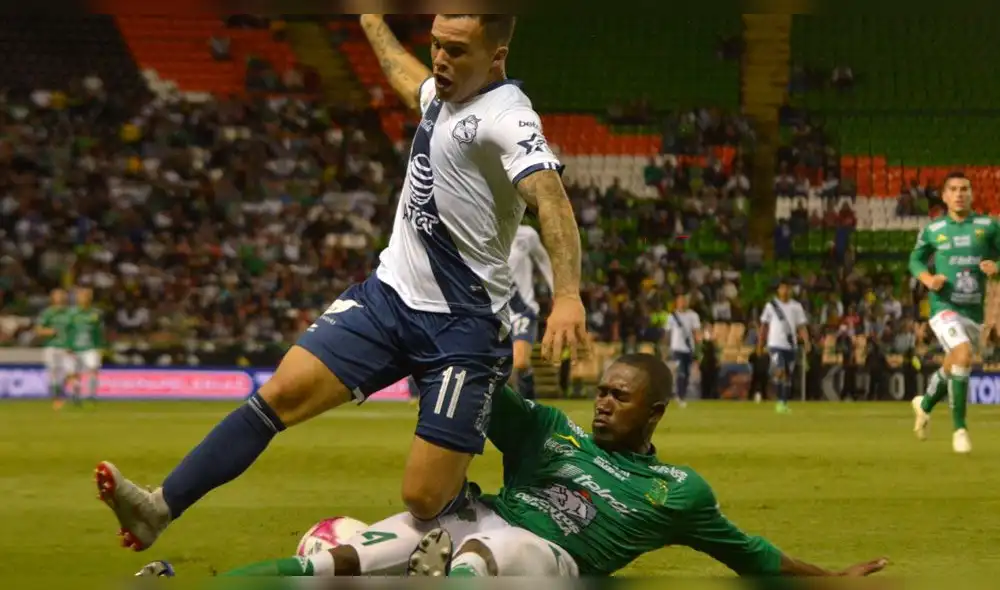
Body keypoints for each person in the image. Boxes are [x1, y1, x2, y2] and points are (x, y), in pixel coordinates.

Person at [94, 13, 588, 552]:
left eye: (456, 50)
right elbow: (406, 78)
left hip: (462, 330)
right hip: (387, 301)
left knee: (424, 498)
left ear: (497, 56)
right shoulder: (443, 94)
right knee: (276, 396)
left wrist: (566, 295)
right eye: (436, 45)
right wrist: (371, 19)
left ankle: (497, 531)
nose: (440, 60)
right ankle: (158, 508)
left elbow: (550, 196)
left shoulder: (509, 118)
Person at [186, 354, 887, 579]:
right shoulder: (550, 432)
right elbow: (478, 393)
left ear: (656, 412)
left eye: (621, 396)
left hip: (545, 555)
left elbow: (749, 553)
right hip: (469, 517)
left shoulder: (676, 491)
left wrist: (829, 581)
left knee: (483, 557)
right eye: (601, 391)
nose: (604, 403)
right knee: (329, 564)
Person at [909, 171, 1000, 454]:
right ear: (945, 196)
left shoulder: (989, 226)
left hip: (973, 311)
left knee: (954, 363)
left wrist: (998, 267)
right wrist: (927, 279)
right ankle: (959, 429)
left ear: (972, 195)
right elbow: (915, 259)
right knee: (962, 355)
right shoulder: (934, 230)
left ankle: (924, 405)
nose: (959, 194)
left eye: (964, 189)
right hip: (943, 306)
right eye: (954, 189)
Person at [508, 224, 554, 399]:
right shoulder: (482, 231)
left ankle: (530, 406)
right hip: (496, 312)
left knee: (520, 362)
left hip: (522, 309)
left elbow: (543, 260)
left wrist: (556, 292)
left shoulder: (526, 235)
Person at [756, 278, 810, 413]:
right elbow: (764, 326)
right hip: (775, 344)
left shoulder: (796, 307)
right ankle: (778, 399)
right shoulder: (771, 306)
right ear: (778, 290)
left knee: (787, 376)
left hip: (790, 345)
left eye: (787, 288)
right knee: (781, 371)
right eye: (782, 288)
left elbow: (801, 326)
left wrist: (807, 341)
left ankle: (782, 402)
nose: (785, 291)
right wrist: (760, 343)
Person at [35, 288, 72, 410]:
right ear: (52, 298)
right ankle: (57, 398)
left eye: (62, 295)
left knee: (69, 371)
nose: (60, 298)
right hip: (51, 346)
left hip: (66, 347)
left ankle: (61, 392)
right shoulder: (48, 313)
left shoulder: (70, 313)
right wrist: (50, 331)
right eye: (57, 295)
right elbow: (39, 330)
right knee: (53, 372)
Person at [66, 287, 104, 404]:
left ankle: (91, 395)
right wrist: (67, 345)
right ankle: (75, 396)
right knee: (74, 373)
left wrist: (100, 346)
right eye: (82, 295)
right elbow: (67, 331)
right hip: (74, 347)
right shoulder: (71, 314)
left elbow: (98, 332)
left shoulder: (96, 314)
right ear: (77, 298)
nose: (85, 298)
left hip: (90, 347)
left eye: (87, 295)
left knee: (93, 369)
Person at [665, 293, 701, 408]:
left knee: (686, 373)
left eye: (684, 301)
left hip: (689, 348)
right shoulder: (672, 317)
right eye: (680, 301)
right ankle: (679, 396)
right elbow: (668, 332)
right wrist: (665, 348)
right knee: (681, 372)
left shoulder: (693, 316)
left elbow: (696, 332)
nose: (682, 303)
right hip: (677, 348)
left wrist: (698, 346)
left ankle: (682, 395)